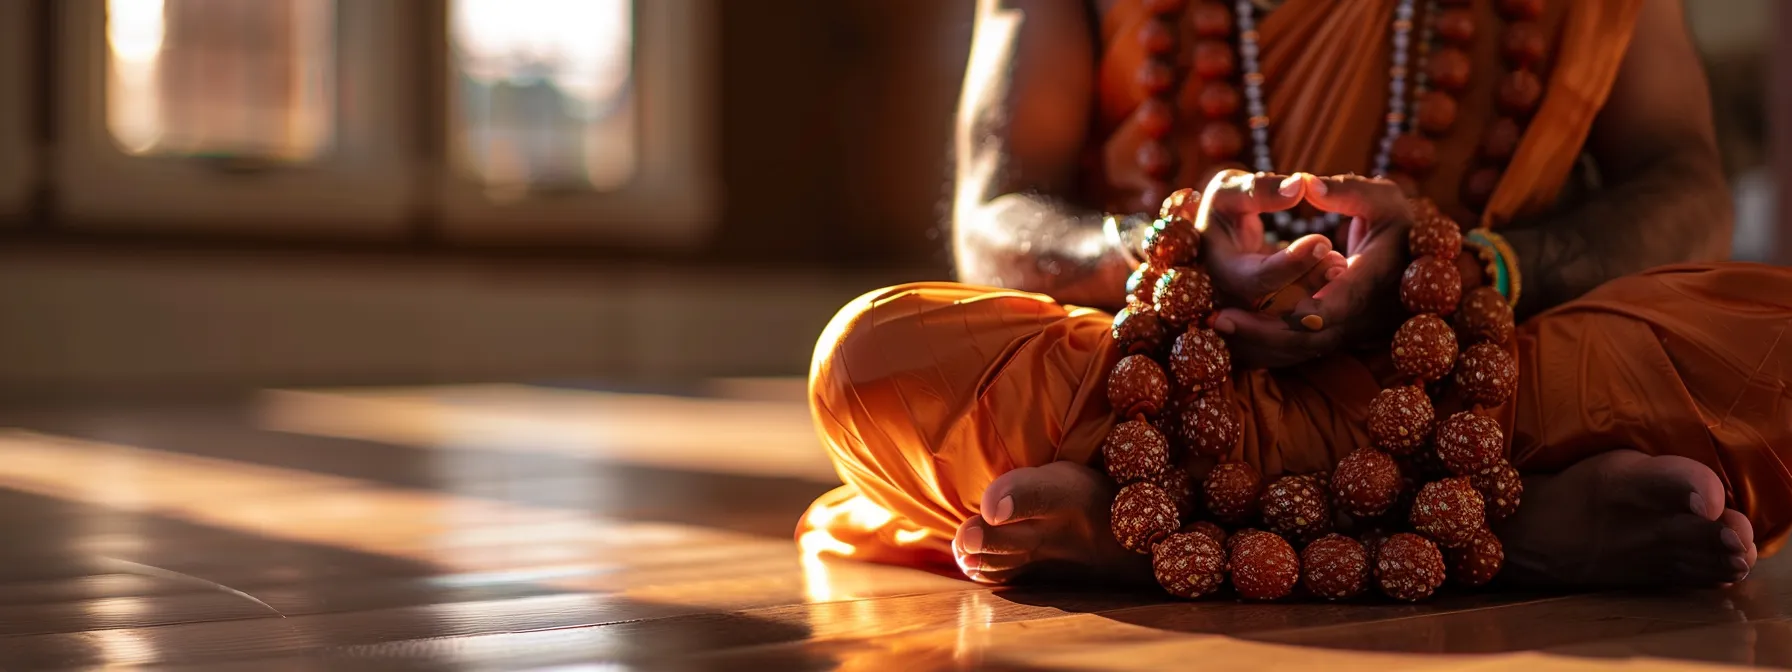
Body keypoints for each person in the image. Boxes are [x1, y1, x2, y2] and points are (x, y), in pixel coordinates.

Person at [796, 0, 1792, 589]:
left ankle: (1144, 527)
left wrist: (1464, 270)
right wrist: (1171, 254)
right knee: (867, 358)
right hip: (1163, 385)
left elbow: (1681, 186)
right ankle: (1500, 525)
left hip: (1475, 376)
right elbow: (998, 210)